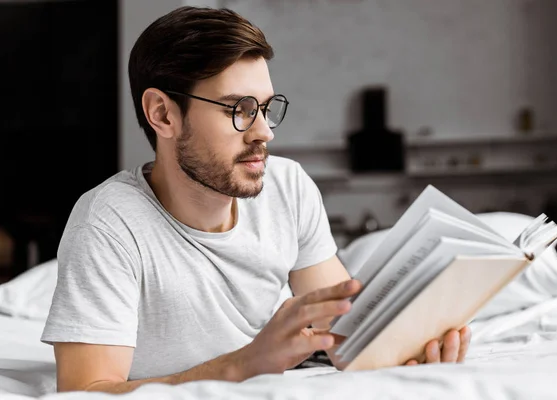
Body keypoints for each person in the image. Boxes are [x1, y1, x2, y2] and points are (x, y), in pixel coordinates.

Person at [41, 6, 471, 394]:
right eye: (238, 109)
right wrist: (244, 365)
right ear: (163, 114)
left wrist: (410, 343)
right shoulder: (108, 222)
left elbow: (342, 337)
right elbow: (85, 391)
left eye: (266, 108)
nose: (264, 132)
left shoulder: (287, 186)